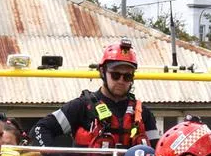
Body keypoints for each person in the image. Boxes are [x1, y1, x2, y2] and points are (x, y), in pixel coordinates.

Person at [30, 37, 159, 150]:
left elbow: (156, 152)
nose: (121, 80)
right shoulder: (81, 107)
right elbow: (39, 130)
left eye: (127, 77)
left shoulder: (144, 114)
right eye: (115, 75)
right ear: (102, 72)